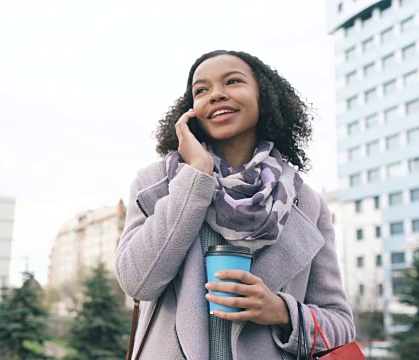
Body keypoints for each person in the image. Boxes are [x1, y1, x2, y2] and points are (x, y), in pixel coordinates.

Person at [115, 50, 356, 359]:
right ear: (191, 110)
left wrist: (281, 311)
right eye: (201, 90)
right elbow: (137, 282)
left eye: (232, 81)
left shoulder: (307, 203)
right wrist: (196, 177)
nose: (216, 95)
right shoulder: (157, 183)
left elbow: (339, 323)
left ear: (263, 97)